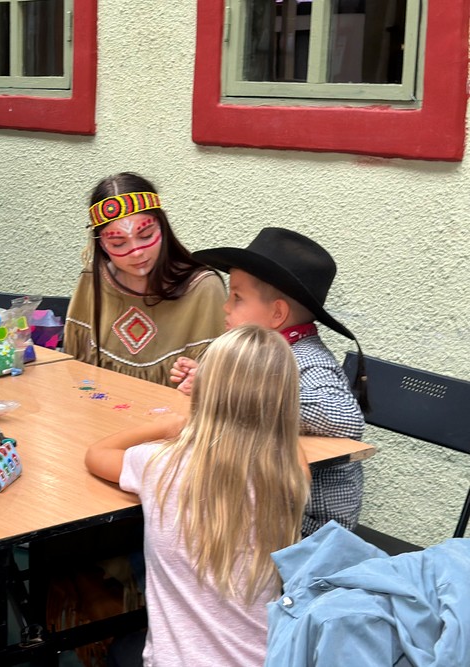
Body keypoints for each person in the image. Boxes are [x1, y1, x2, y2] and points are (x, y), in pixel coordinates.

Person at [86, 325, 311, 667]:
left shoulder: (161, 464)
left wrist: (168, 427)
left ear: (203, 392)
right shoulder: (290, 475)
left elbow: (97, 454)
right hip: (265, 659)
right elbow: (287, 443)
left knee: (121, 649)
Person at [170, 227, 366, 536]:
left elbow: (346, 418)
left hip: (306, 530)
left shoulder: (309, 361)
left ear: (277, 314)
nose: (225, 307)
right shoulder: (257, 354)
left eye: (237, 297)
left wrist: (228, 391)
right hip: (260, 506)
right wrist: (208, 380)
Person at [63, 173, 226, 385]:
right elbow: (76, 372)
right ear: (101, 244)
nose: (137, 252)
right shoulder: (92, 281)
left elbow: (218, 384)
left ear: (162, 227)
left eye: (146, 235)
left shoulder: (203, 289)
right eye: (118, 243)